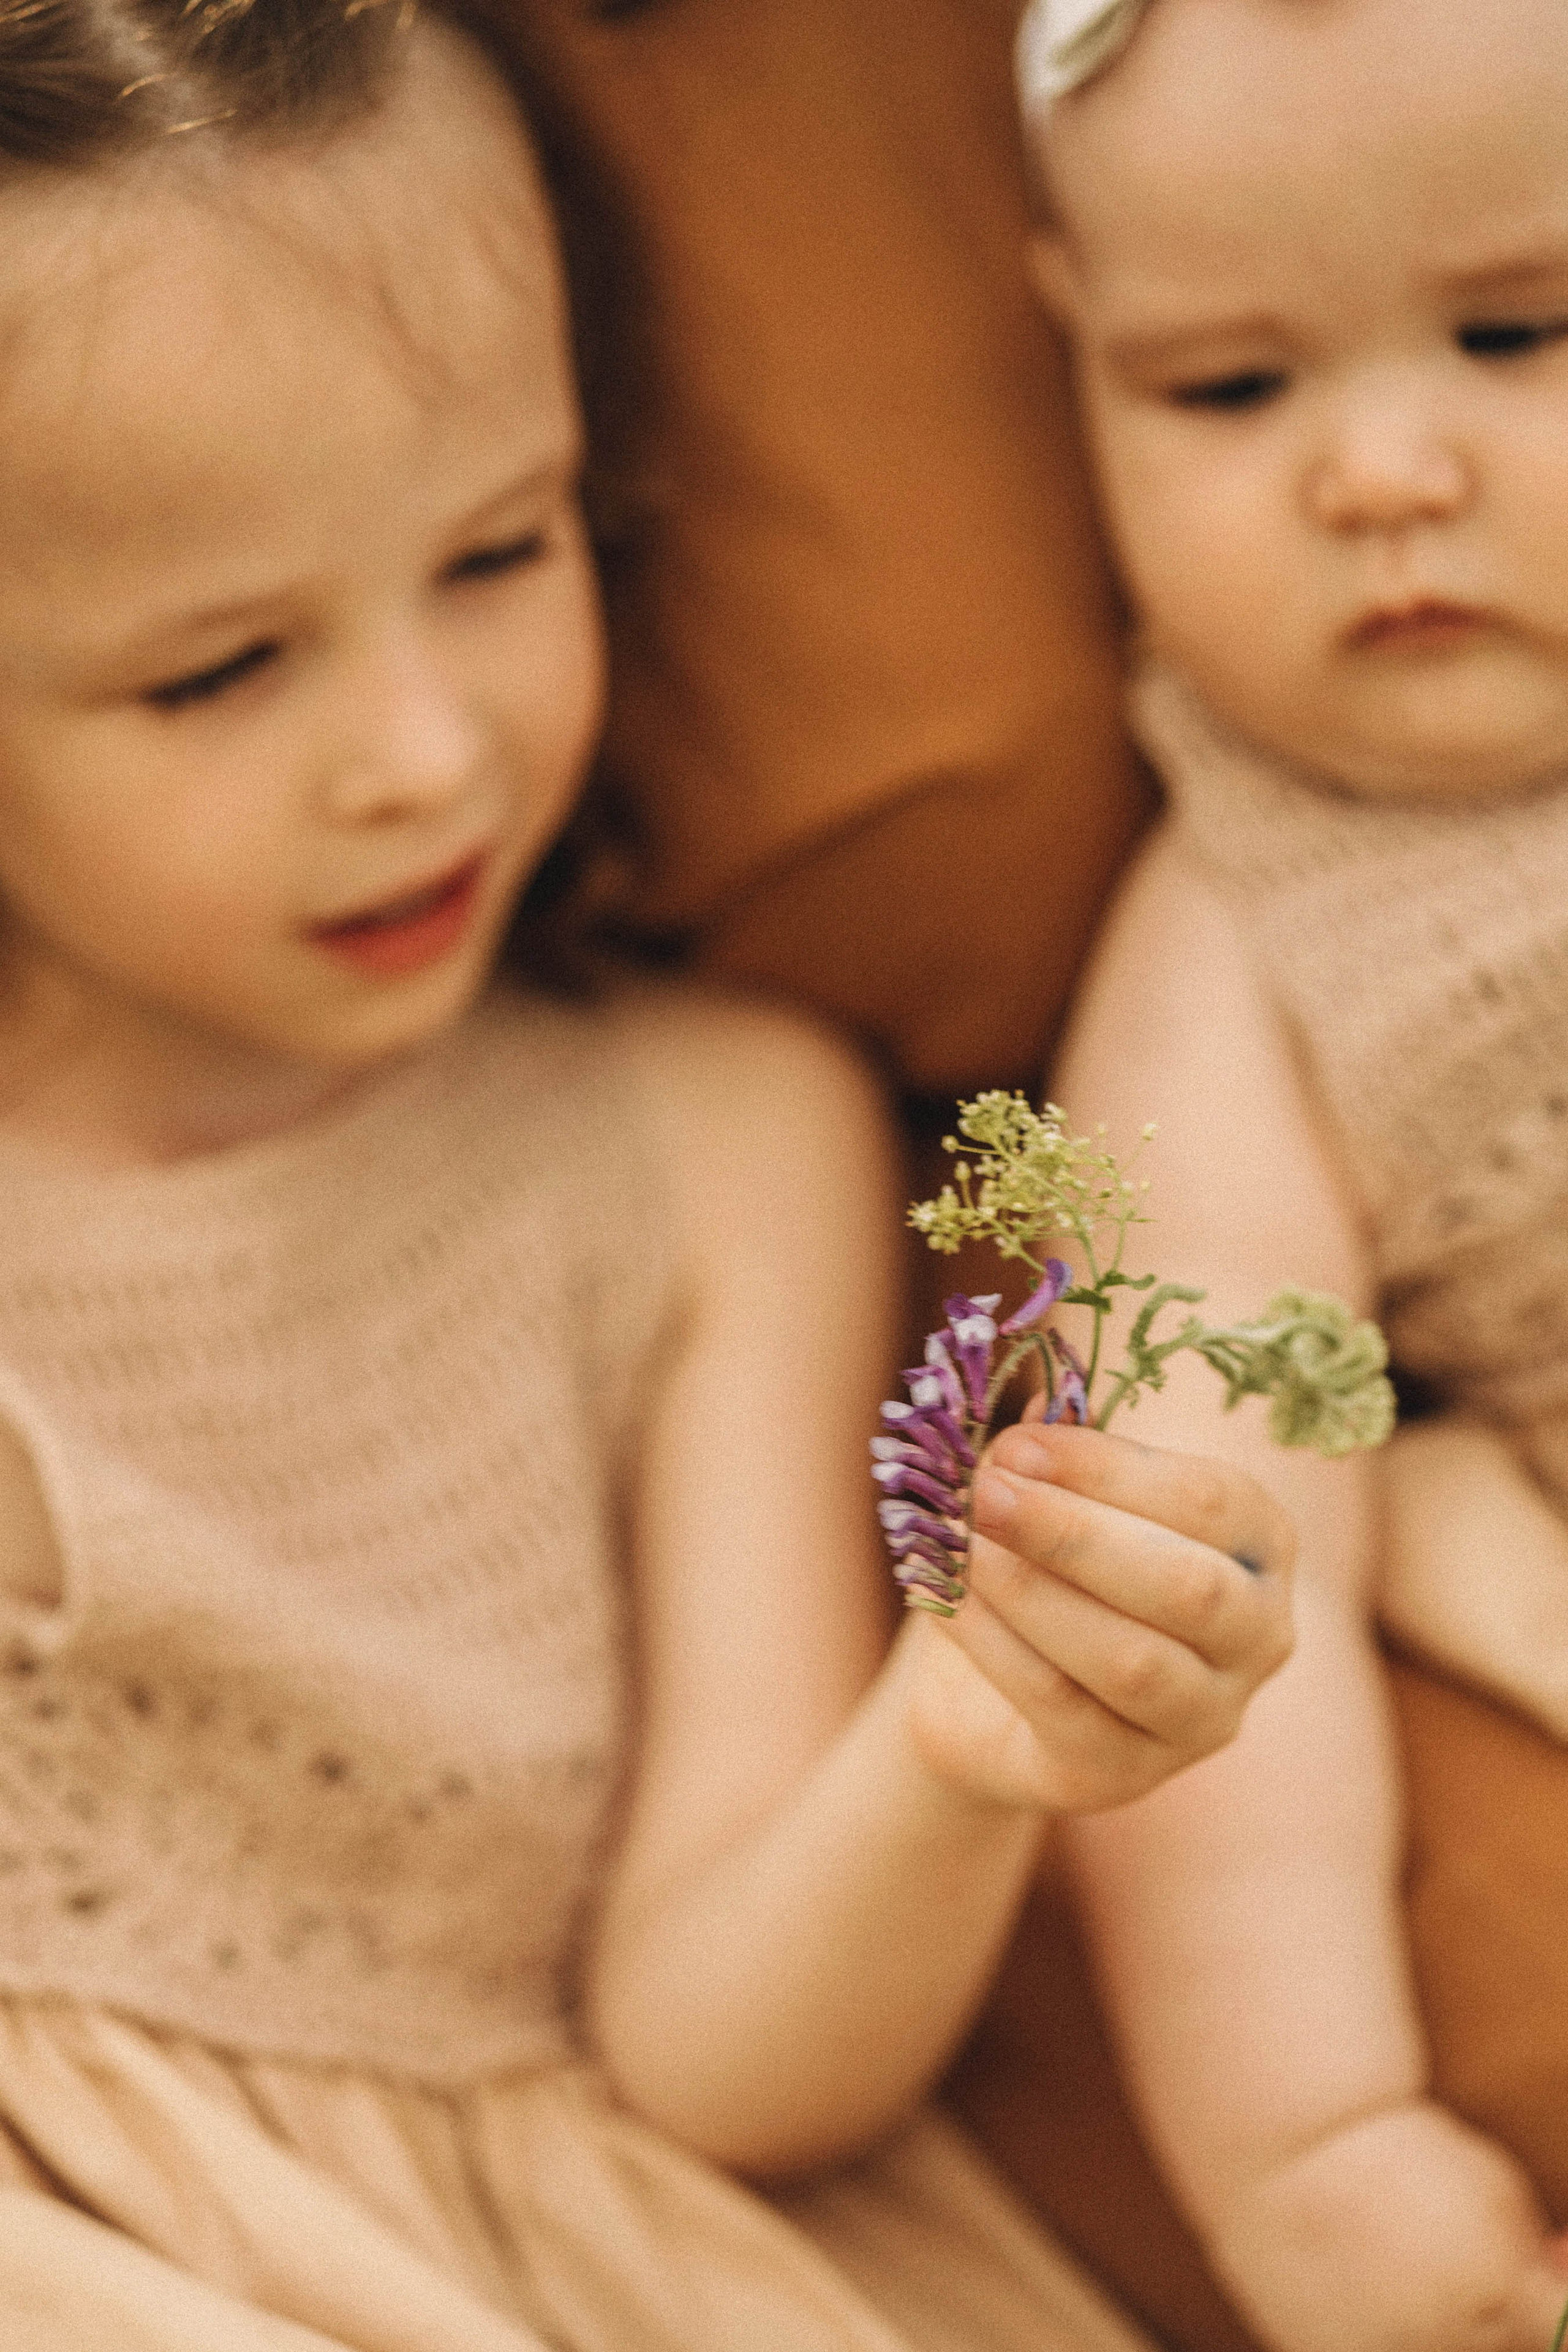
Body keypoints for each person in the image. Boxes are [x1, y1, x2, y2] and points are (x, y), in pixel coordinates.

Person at [0, 4, 1296, 2345]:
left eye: (504, 550)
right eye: (217, 670)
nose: (423, 753)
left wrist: (955, 1747)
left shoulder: (709, 1143)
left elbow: (724, 2063)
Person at [1017, 0, 1568, 2345]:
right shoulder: (1241, 948)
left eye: (1522, 333)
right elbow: (1205, 1546)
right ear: (1072, 351)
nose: (1380, 472)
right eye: (1227, 386)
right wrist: (1306, 2134)